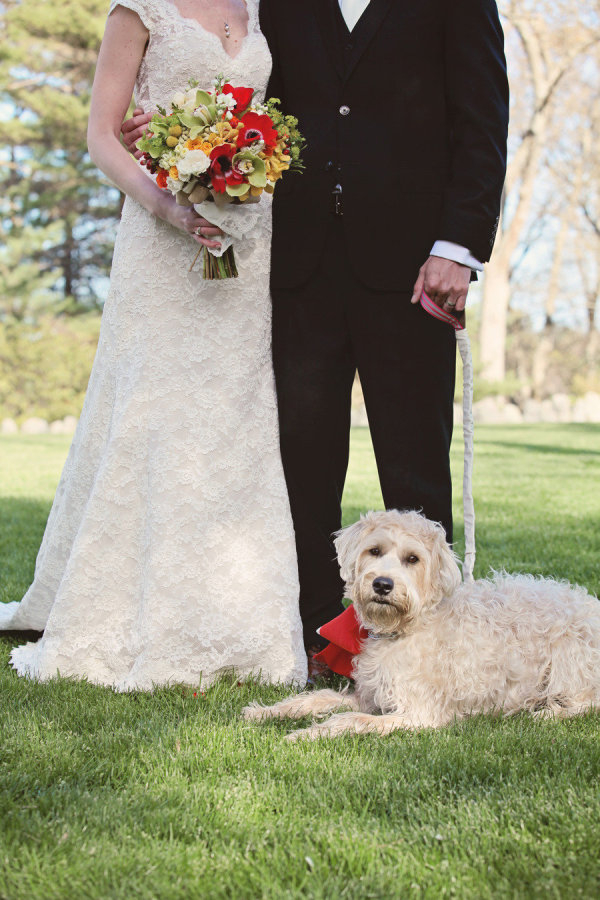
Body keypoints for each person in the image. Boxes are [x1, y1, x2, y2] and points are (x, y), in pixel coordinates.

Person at [121, 0, 509, 674]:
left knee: (415, 467)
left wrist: (459, 245)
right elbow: (247, 96)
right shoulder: (277, 1)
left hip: (415, 268)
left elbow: (482, 121)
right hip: (294, 268)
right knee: (300, 471)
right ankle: (313, 642)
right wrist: (176, 125)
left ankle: (431, 650)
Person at [0, 0, 307, 690]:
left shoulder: (263, 10)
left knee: (234, 422)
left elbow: (270, 117)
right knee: (155, 410)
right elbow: (102, 136)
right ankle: (127, 614)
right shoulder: (140, 9)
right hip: (158, 235)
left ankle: (243, 617)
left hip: (246, 242)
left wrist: (244, 177)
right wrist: (166, 203)